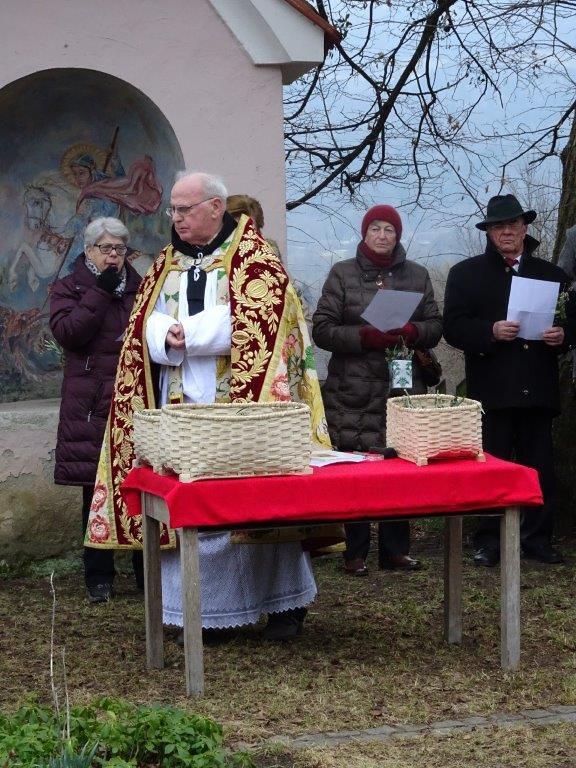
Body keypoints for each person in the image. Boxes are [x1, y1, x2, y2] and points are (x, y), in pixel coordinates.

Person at [84, 172, 334, 640]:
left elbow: (264, 320)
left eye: (185, 209)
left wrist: (192, 334)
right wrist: (164, 334)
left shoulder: (255, 258)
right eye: (173, 210)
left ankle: (283, 606)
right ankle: (204, 614)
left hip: (242, 407)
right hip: (180, 404)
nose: (176, 218)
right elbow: (143, 320)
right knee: (192, 504)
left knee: (257, 501)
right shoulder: (165, 262)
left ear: (215, 208)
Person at [443, 194, 576, 566]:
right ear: (488, 232)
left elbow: (572, 322)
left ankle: (538, 538)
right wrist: (490, 331)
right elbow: (453, 327)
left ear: (524, 227)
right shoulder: (466, 274)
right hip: (493, 389)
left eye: (513, 224)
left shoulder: (552, 275)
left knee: (539, 469)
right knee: (491, 467)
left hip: (538, 388)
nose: (506, 231)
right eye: (498, 226)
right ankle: (488, 540)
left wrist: (563, 336)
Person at [312, 204, 443, 576]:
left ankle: (395, 550)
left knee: (400, 465)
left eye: (389, 230)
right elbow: (322, 329)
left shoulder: (417, 275)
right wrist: (364, 336)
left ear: (398, 235)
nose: (382, 235)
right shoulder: (342, 273)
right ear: (365, 233)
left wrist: (413, 331)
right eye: (376, 229)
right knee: (356, 466)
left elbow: (436, 325)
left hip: (402, 385)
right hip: (353, 386)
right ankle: (354, 552)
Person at [50, 217, 143, 602]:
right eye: (106, 248)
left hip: (132, 396)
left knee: (140, 484)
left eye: (120, 248)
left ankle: (146, 571)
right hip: (90, 401)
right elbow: (69, 333)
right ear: (89, 250)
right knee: (95, 490)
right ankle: (99, 577)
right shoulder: (69, 287)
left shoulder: (140, 285)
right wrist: (100, 291)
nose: (113, 256)